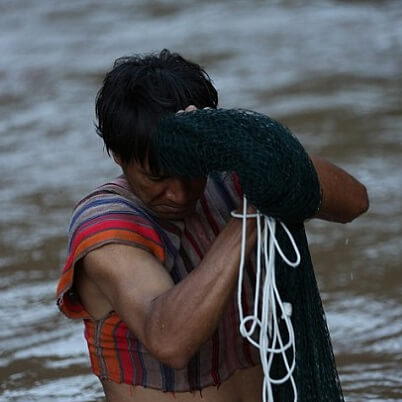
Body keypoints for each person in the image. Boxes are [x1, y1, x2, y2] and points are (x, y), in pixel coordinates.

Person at [56, 49, 368, 402]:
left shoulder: (232, 176)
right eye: (157, 176)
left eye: (191, 171)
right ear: (117, 155)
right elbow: (168, 340)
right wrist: (252, 214)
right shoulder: (104, 226)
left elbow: (354, 202)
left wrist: (252, 145)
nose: (178, 193)